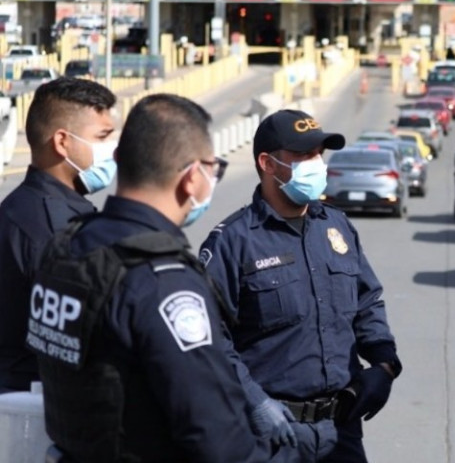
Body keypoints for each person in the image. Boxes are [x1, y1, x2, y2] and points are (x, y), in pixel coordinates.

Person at [28, 94, 274, 462]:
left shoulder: (67, 245)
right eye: (213, 168)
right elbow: (218, 439)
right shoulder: (164, 282)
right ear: (193, 177)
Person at [200, 109, 403, 463]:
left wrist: (385, 365)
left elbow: (367, 302)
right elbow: (211, 341)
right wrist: (255, 403)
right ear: (268, 163)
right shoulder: (232, 242)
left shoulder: (336, 227)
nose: (316, 163)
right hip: (270, 436)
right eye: (303, 155)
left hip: (341, 432)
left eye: (319, 154)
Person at [0, 77, 117, 394]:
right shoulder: (57, 229)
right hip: (41, 407)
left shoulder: (16, 208)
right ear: (63, 142)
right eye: (103, 137)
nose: (114, 151)